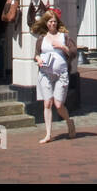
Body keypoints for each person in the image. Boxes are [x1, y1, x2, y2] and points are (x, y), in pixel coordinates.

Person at [31, 10, 77, 143]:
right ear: (46, 23)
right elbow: (36, 54)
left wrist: (62, 47)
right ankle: (48, 134)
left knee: (58, 104)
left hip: (61, 74)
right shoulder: (42, 38)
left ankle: (69, 122)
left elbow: (73, 52)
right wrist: (38, 59)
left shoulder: (64, 37)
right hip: (45, 73)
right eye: (50, 21)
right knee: (47, 103)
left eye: (55, 22)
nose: (53, 24)